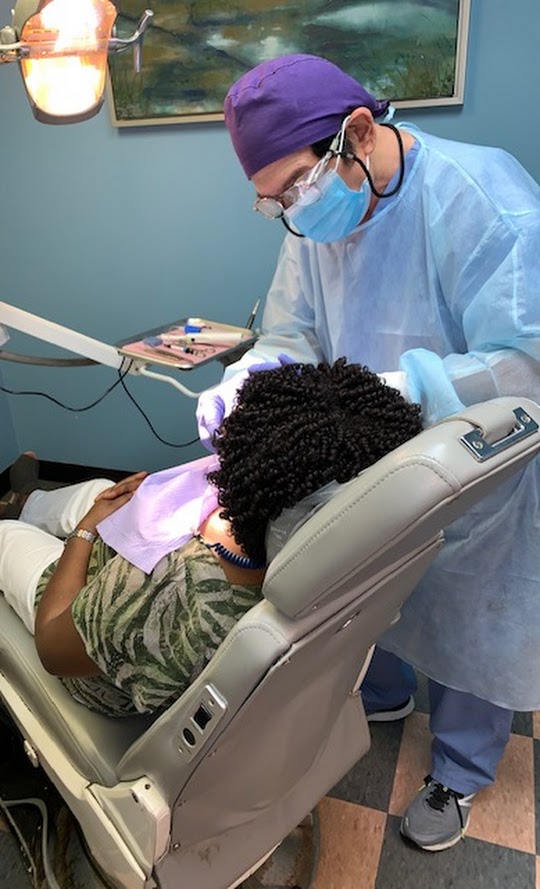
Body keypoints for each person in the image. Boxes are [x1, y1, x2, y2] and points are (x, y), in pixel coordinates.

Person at [195, 54, 540, 851]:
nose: (292, 211)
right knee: (368, 581)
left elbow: (525, 365)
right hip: (363, 459)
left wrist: (403, 389)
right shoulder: (316, 214)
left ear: (357, 133)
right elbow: (291, 330)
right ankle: (381, 692)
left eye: (296, 188)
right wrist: (249, 382)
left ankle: (460, 767)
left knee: (469, 607)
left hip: (475, 461)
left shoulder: (486, 202)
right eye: (274, 201)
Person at [0, 359, 422, 718]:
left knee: (13, 534)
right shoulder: (323, 539)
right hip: (128, 586)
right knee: (100, 489)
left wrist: (86, 532)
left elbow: (54, 650)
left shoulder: (181, 584)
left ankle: (17, 518)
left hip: (90, 645)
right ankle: (28, 499)